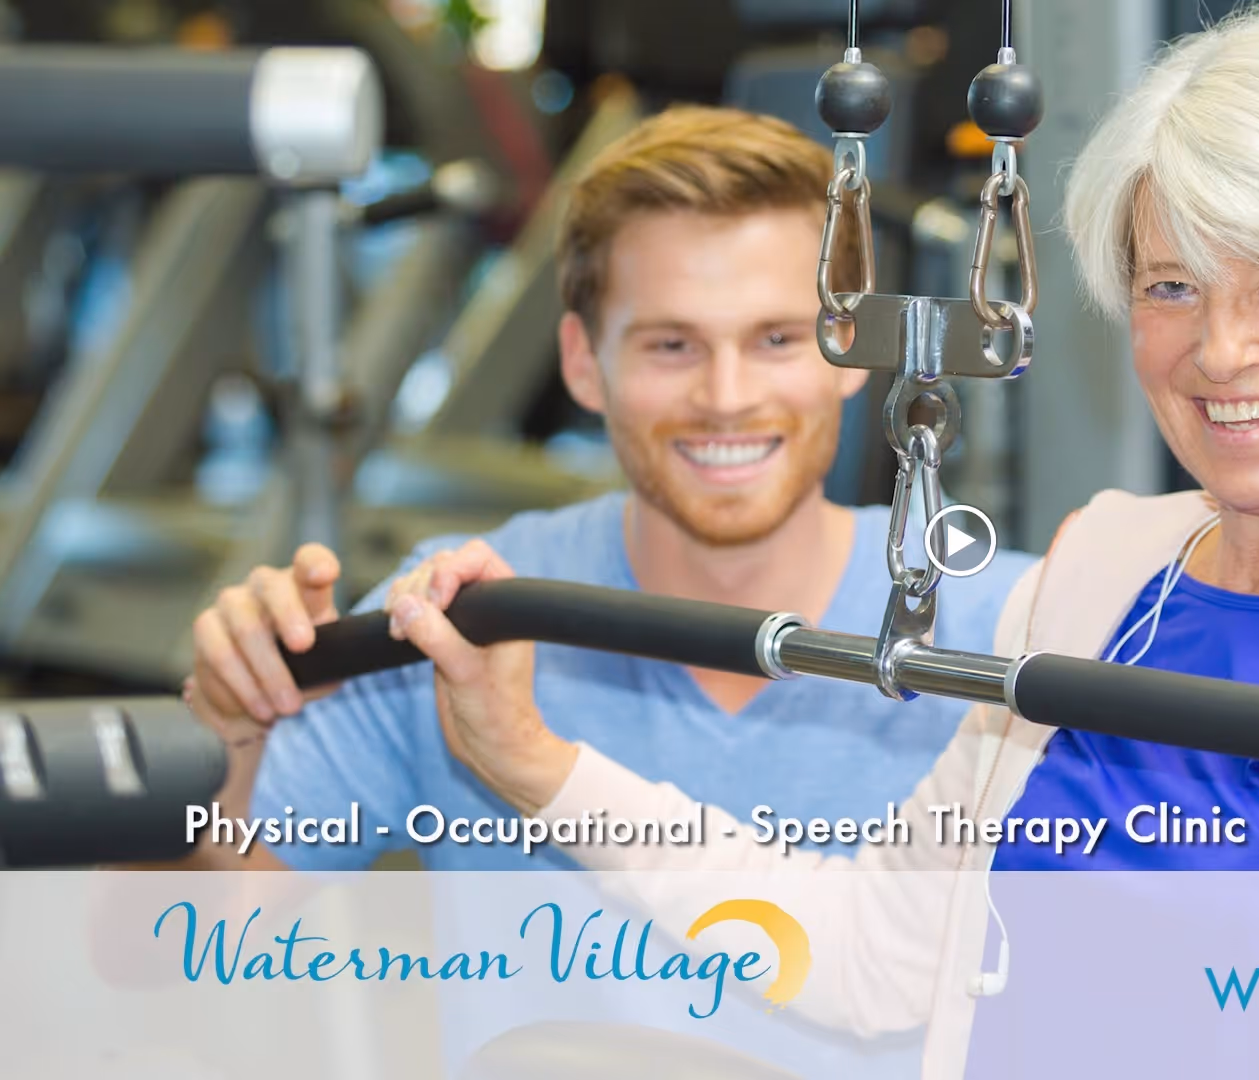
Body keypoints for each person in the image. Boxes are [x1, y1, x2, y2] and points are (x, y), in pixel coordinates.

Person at [375, 10, 1259, 1078]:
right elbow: (869, 956)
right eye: (1174, 287)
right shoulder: (1103, 578)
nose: (1221, 349)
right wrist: (538, 765)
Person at [180, 105, 1034, 1075]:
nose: (725, 395)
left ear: (851, 350)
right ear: (585, 363)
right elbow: (171, 946)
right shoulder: (460, 619)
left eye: (776, 340)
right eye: (672, 345)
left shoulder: (1006, 628)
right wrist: (224, 737)